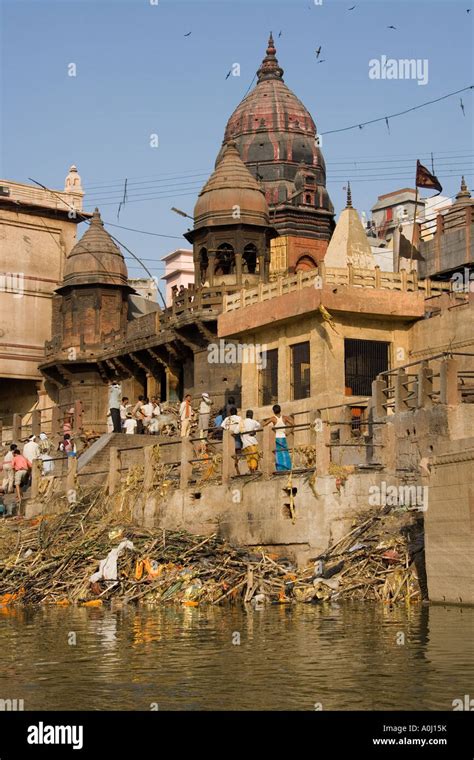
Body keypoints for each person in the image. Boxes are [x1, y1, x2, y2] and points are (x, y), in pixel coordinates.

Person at [263, 404, 293, 471]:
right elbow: (293, 424)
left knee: (278, 453)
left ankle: (280, 468)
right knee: (285, 451)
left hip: (276, 437)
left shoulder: (273, 418)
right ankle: (287, 467)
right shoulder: (285, 417)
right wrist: (288, 432)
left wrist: (272, 429)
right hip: (283, 437)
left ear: (273, 411)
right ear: (280, 410)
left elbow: (264, 425)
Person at [221, 406, 243, 475]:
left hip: (228, 439)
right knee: (237, 452)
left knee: (230, 453)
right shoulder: (239, 418)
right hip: (236, 438)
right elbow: (241, 427)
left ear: (230, 413)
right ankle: (236, 467)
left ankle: (233, 468)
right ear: (236, 413)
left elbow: (222, 426)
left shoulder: (227, 419)